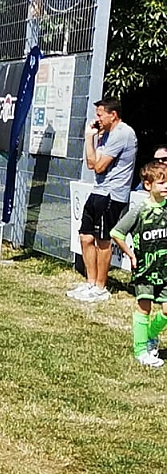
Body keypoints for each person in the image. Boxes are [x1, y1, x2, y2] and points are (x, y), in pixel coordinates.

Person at [72, 97, 138, 303]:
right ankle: (90, 283)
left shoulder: (123, 133)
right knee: (85, 236)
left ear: (113, 115)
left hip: (113, 194)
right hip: (98, 191)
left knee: (103, 240)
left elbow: (100, 167)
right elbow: (91, 164)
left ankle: (101, 287)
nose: (97, 119)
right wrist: (89, 138)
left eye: (100, 115)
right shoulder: (105, 134)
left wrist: (94, 148)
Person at [112, 161, 167, 367]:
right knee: (144, 309)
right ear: (148, 185)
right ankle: (141, 351)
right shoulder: (140, 210)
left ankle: (151, 334)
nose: (166, 186)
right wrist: (131, 255)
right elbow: (117, 233)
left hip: (165, 270)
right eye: (161, 182)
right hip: (145, 270)